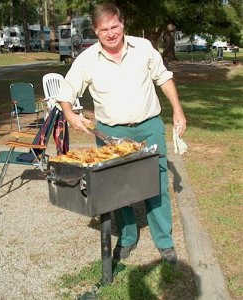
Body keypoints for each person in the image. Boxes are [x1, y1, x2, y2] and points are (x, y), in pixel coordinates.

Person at [56, 3, 186, 264]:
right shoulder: (87, 59)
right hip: (110, 134)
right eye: (104, 29)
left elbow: (164, 78)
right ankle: (127, 238)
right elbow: (67, 90)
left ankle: (164, 242)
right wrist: (69, 113)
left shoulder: (144, 48)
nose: (111, 33)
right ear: (95, 31)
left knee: (157, 182)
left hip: (149, 127)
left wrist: (177, 111)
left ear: (123, 24)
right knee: (118, 187)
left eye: (114, 26)